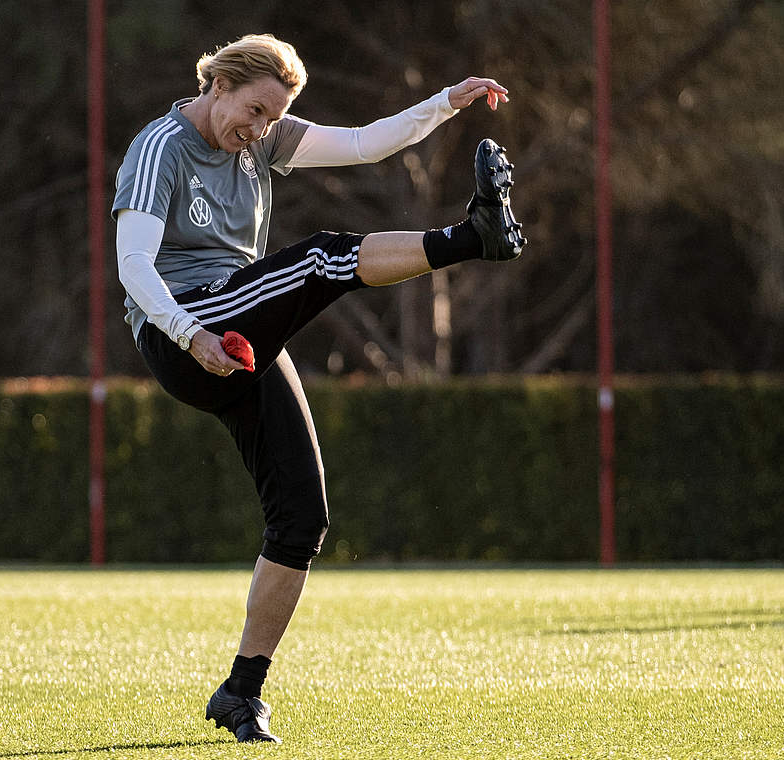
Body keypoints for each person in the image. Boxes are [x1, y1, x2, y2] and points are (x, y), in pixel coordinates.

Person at [111, 33, 525, 743]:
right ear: (219, 84)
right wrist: (190, 335)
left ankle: (241, 692)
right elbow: (133, 268)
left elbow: (366, 142)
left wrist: (447, 103)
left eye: (273, 119)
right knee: (326, 255)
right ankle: (470, 238)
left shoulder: (259, 143)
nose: (261, 130)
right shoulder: (161, 148)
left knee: (303, 518)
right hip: (178, 330)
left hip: (234, 331)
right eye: (255, 111)